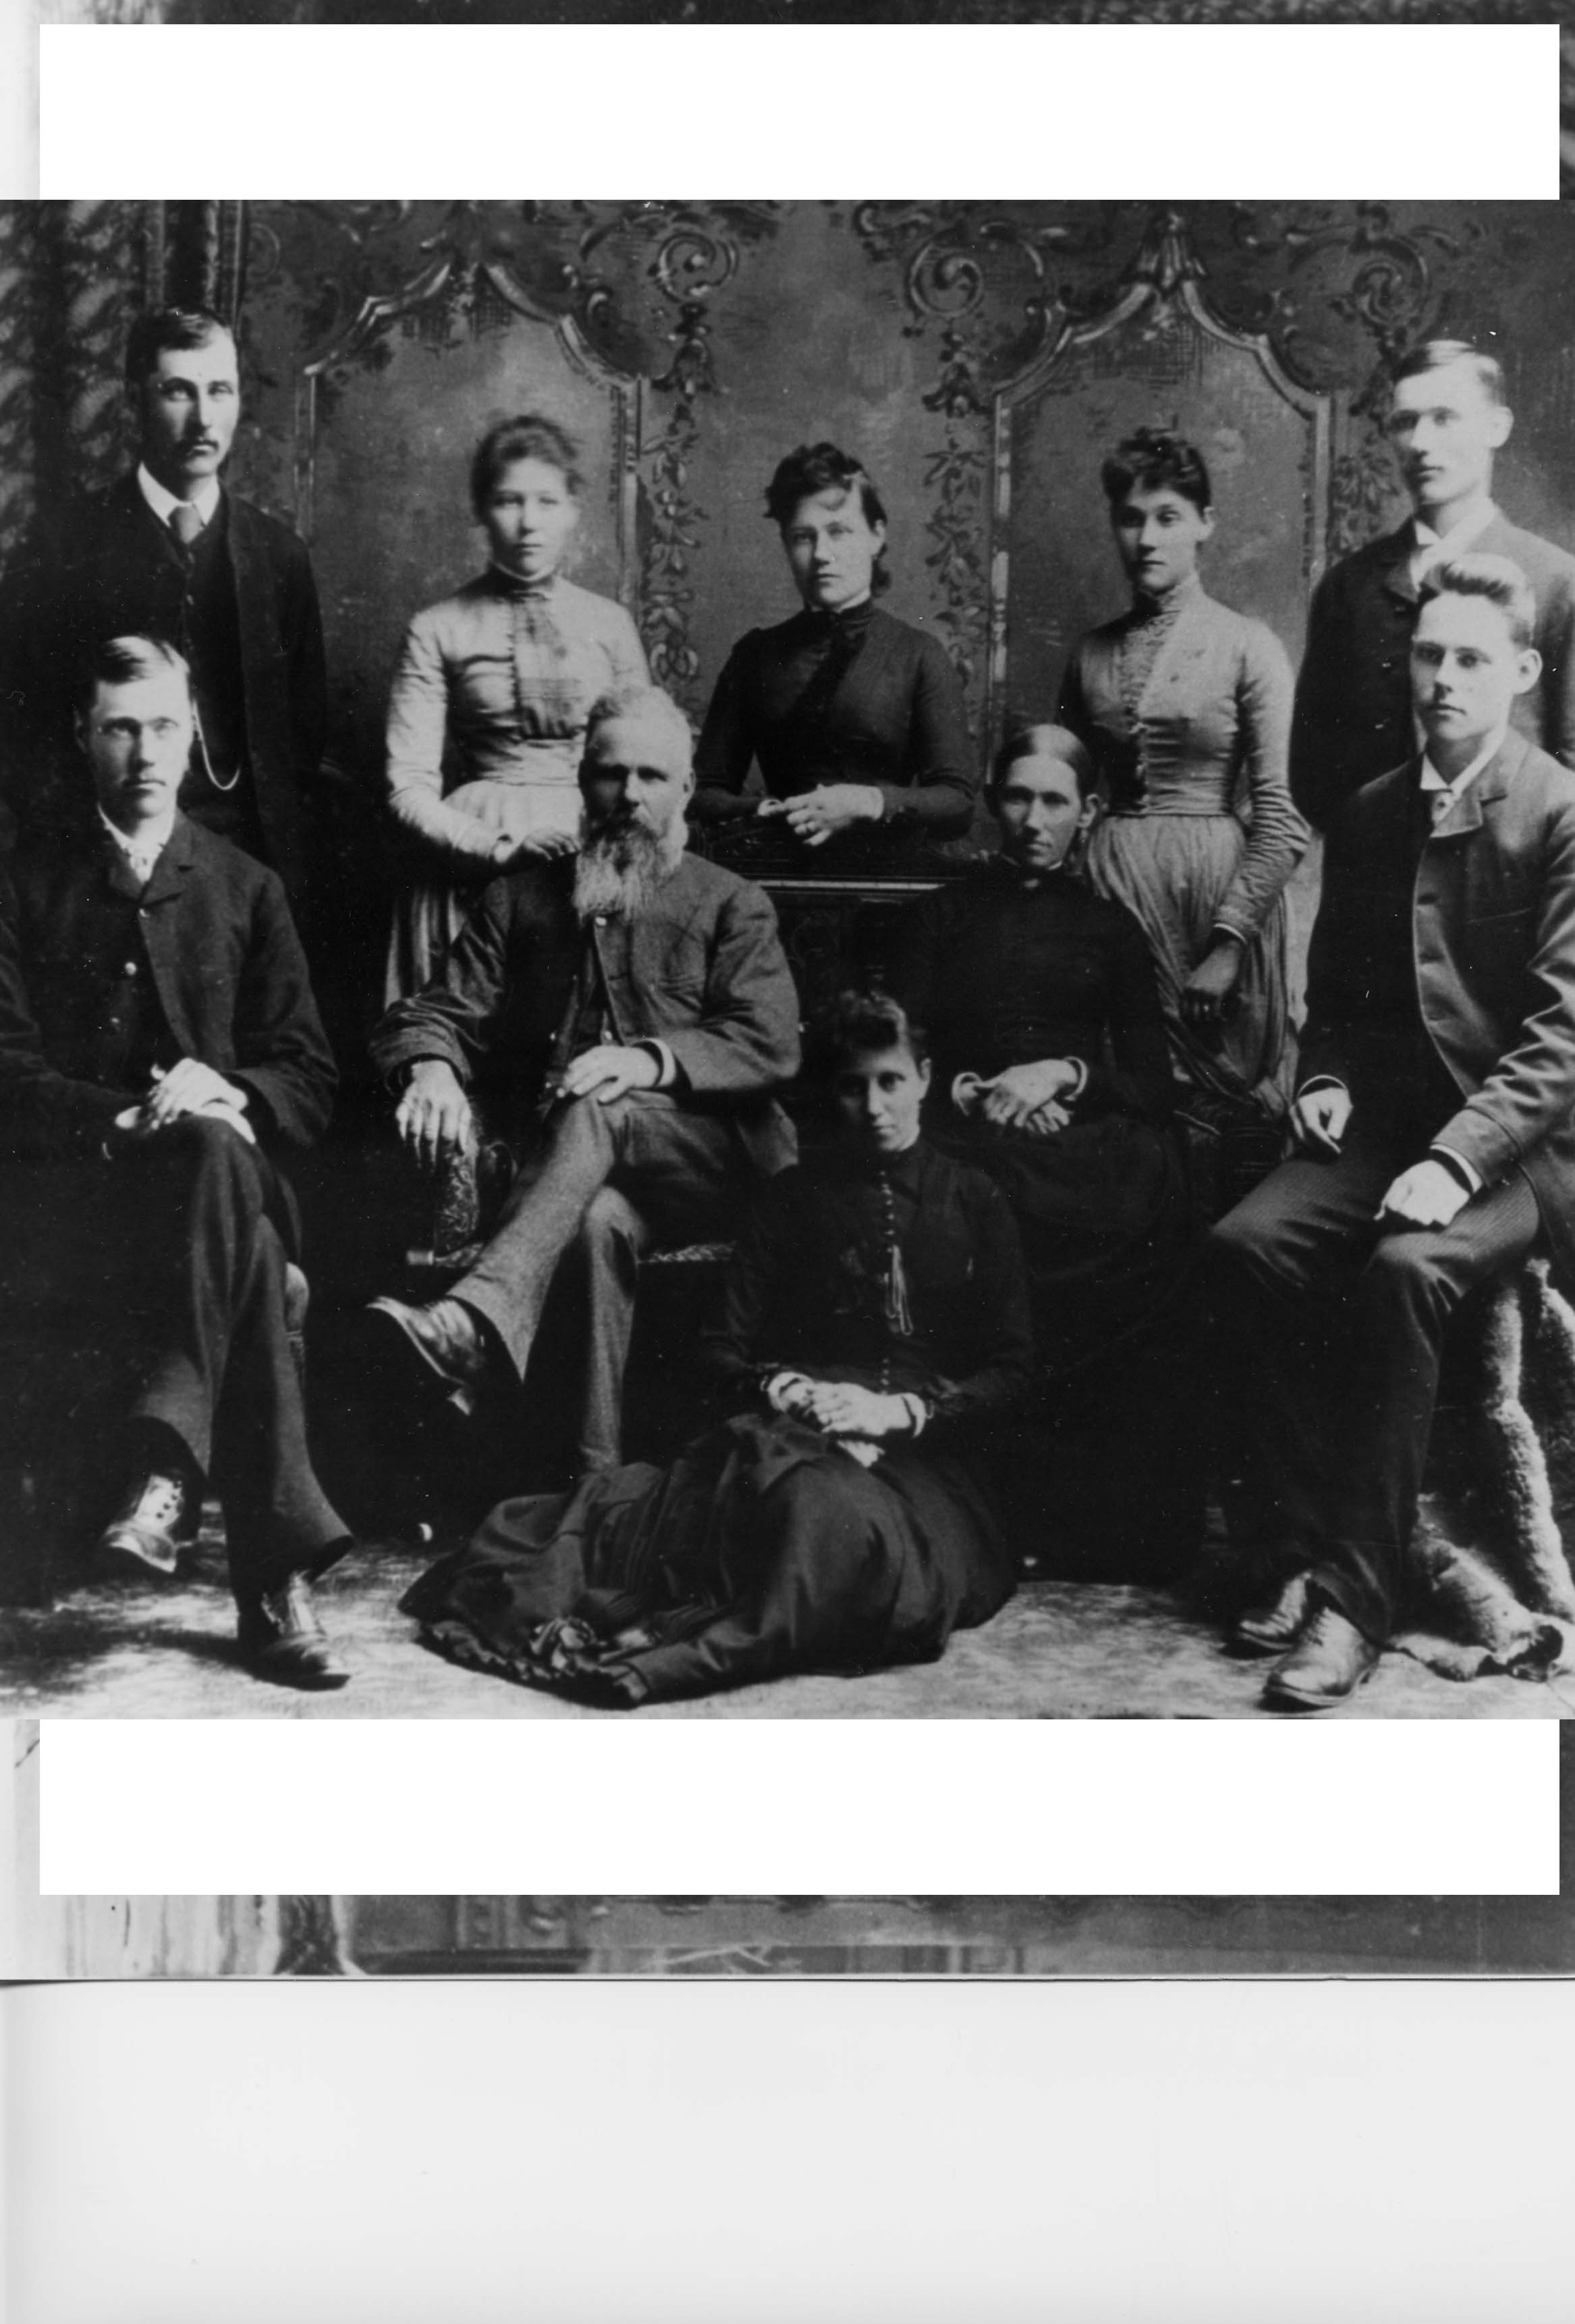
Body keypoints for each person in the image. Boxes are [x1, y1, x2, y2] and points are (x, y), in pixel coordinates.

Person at [397, 991, 1032, 1707]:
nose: (874, 1106)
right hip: (800, 1433)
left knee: (836, 1529)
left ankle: (678, 1653)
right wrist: (785, 1388)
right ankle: (675, 1627)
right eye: (853, 1088)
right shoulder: (793, 1198)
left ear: (925, 1078)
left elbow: (1011, 1367)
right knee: (743, 1504)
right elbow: (717, 1352)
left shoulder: (975, 1197)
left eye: (892, 1082)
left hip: (925, 1459)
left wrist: (902, 1412)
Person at [1209, 555, 1575, 1711]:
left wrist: (1455, 1158)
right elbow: (1337, 1002)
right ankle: (1301, 1540)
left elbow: (1562, 1036)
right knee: (1244, 1245)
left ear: (1521, 672)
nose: (1442, 678)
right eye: (1426, 654)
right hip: (1384, 1130)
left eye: (1469, 657)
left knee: (1405, 1268)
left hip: (1516, 1151)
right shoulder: (1370, 810)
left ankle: (1352, 1604)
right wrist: (1320, 1077)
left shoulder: (1560, 809)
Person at [0, 637, 352, 1688]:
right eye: (121, 728)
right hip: (84, 1195)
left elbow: (309, 1077)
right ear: (83, 736)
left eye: (163, 726)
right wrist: (124, 1119)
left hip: (226, 1172)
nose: (145, 752)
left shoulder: (244, 885)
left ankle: (164, 1471)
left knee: (214, 1143)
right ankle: (277, 1587)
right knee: (252, 1255)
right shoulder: (21, 882)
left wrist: (228, 1091)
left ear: (194, 734)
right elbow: (4, 1068)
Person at [365, 684, 801, 1475]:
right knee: (600, 1224)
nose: (628, 795)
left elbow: (767, 1040)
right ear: (581, 780)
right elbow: (431, 1013)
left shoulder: (732, 903)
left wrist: (649, 1062)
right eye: (610, 773)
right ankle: (594, 1478)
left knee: (603, 1102)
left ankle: (469, 1324)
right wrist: (431, 1068)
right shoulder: (521, 899)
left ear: (685, 791)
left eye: (651, 776)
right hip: (578, 1180)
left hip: (712, 1163)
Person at [887, 724, 1198, 1572]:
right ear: (994, 803)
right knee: (987, 1207)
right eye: (1019, 798)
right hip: (967, 1127)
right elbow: (896, 1051)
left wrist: (1061, 1074)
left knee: (1146, 1188)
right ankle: (998, 1515)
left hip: (1079, 1133)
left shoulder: (1111, 928)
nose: (1034, 819)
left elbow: (1154, 1081)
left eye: (1055, 801)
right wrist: (975, 1091)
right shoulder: (939, 916)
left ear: (1087, 812)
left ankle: (1104, 1523)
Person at [0, 306, 327, 910]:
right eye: (178, 391)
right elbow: (22, 725)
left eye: (219, 390)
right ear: (134, 400)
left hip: (246, 867)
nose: (203, 419)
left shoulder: (279, 556)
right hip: (99, 871)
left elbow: (303, 741)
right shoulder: (62, 545)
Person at [1058, 428, 1308, 1123]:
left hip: (1215, 901)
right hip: (1110, 892)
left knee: (1219, 1107)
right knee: (1123, 1095)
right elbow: (1062, 792)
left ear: (1205, 524)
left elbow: (1284, 817)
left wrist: (1230, 945)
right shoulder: (1089, 654)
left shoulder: (1250, 646)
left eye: (1168, 517)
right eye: (1130, 519)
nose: (1147, 539)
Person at [381, 413, 649, 997]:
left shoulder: (609, 625)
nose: (529, 523)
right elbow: (408, 789)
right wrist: (497, 850)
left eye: (547, 502)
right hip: (474, 854)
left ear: (573, 509)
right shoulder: (438, 627)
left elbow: (649, 761)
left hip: (591, 843)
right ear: (482, 509)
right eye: (508, 501)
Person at [1291, 339, 1575, 831]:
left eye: (1444, 418)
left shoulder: (1556, 582)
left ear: (1496, 427)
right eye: (1406, 421)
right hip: (1374, 869)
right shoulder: (1349, 587)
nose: (1421, 442)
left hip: (1508, 871)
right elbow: (1313, 771)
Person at [692, 441, 976, 863]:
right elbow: (703, 794)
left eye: (839, 532)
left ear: (876, 536)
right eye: (803, 538)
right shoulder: (755, 656)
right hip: (774, 872)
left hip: (888, 881)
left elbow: (958, 803)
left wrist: (869, 802)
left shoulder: (919, 655)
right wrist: (763, 811)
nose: (822, 555)